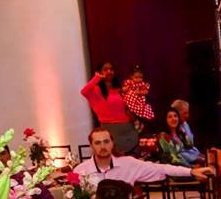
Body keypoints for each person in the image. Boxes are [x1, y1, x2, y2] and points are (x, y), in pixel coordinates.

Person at [74, 127, 213, 188]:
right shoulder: (80, 171)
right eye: (98, 143)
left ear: (112, 143)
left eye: (106, 141)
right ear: (91, 146)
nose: (103, 146)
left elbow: (161, 168)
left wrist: (191, 171)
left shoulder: (127, 164)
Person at [80, 62, 138, 154]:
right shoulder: (95, 90)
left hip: (128, 130)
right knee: (114, 159)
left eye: (111, 69)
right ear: (100, 72)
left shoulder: (120, 89)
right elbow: (84, 91)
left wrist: (134, 118)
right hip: (110, 131)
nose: (109, 71)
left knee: (131, 159)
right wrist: (97, 77)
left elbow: (129, 107)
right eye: (105, 69)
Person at [121, 64, 156, 130]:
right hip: (129, 100)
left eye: (140, 77)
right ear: (131, 76)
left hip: (138, 101)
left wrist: (139, 92)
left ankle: (139, 122)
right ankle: (135, 121)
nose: (138, 79)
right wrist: (125, 89)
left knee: (139, 111)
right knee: (128, 111)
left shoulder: (142, 84)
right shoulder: (129, 82)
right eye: (136, 77)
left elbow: (146, 92)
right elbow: (123, 89)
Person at [170, 99, 204, 166]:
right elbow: (178, 153)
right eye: (185, 113)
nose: (187, 116)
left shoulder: (185, 124)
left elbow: (190, 146)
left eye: (187, 113)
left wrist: (198, 154)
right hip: (183, 164)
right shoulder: (170, 131)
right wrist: (195, 159)